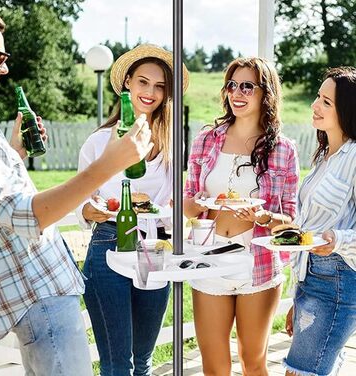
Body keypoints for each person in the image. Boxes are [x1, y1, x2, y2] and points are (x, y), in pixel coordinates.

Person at [0, 10, 153, 376]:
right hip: (37, 292)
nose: (5, 68)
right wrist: (109, 164)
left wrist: (15, 153)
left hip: (37, 291)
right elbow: (23, 215)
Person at [75, 44, 189, 376]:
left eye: (159, 86)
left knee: (143, 361)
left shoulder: (170, 144)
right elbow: (81, 202)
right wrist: (89, 210)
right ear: (127, 83)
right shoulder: (99, 142)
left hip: (155, 246)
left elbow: (172, 203)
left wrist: (172, 210)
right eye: (143, 82)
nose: (150, 92)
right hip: (109, 245)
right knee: (116, 364)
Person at [183, 57, 300, 375]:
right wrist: (199, 203)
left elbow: (290, 218)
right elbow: (188, 201)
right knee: (214, 367)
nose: (238, 92)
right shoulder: (206, 140)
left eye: (248, 85)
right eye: (232, 85)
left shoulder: (283, 150)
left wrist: (262, 217)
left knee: (253, 363)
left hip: (257, 266)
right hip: (209, 261)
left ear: (266, 94)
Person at [283, 67, 356, 376]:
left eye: (326, 101)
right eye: (318, 97)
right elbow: (309, 226)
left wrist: (336, 240)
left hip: (338, 280)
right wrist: (296, 298)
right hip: (311, 280)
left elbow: (330, 237)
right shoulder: (324, 157)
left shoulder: (354, 156)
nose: (315, 105)